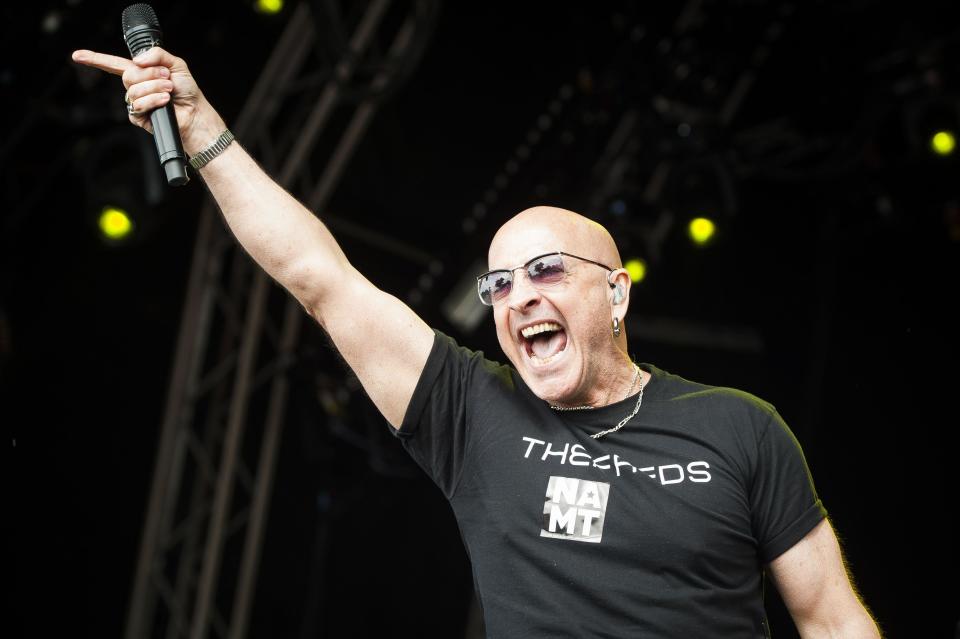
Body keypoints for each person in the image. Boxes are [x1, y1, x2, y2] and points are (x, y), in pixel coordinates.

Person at [72, 46, 881, 637]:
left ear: (618, 289)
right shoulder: (472, 411)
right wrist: (203, 127)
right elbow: (318, 276)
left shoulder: (741, 427)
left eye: (547, 271)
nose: (519, 294)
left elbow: (834, 621)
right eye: (501, 283)